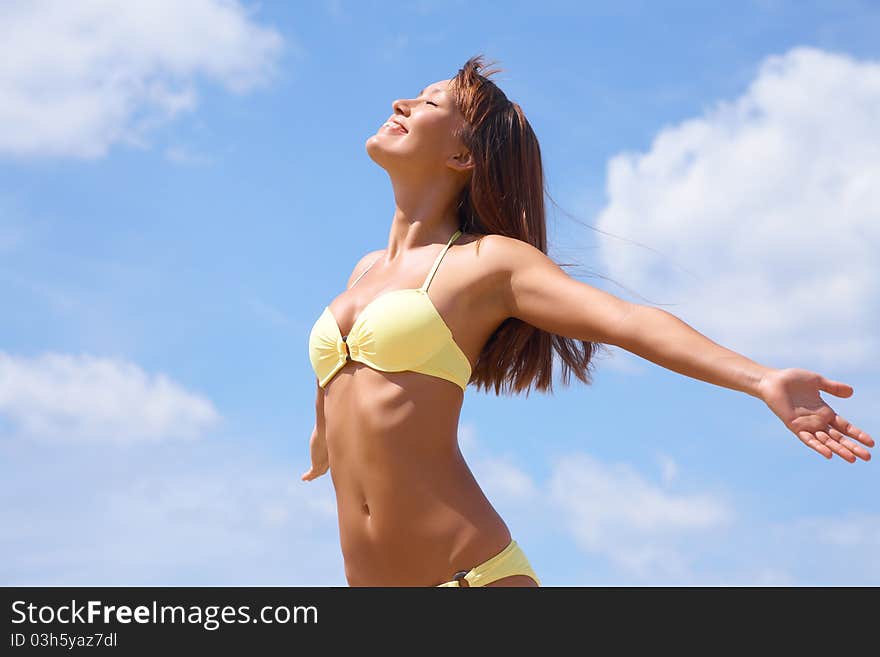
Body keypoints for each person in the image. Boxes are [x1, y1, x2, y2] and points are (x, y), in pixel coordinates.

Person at [302, 55, 874, 587]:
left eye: (430, 104)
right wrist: (323, 434)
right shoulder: (364, 271)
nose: (403, 103)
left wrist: (760, 379)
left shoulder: (487, 262)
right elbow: (356, 387)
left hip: (472, 580)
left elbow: (626, 320)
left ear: (462, 156)